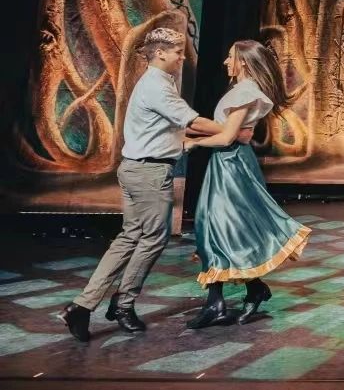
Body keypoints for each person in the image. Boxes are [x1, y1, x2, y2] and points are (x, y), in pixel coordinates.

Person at [59, 28, 225, 342]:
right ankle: (123, 304)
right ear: (160, 53)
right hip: (149, 173)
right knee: (153, 239)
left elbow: (172, 128)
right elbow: (193, 122)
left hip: (137, 168)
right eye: (178, 52)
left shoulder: (159, 82)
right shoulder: (156, 85)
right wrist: (231, 130)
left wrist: (193, 139)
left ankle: (82, 306)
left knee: (130, 237)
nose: (182, 57)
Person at [182, 40, 312, 329]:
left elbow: (227, 137)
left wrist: (193, 142)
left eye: (230, 57)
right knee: (219, 227)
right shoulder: (241, 90)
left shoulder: (245, 93)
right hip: (226, 162)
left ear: (243, 61)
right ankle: (244, 292)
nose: (225, 62)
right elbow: (232, 133)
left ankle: (220, 302)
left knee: (220, 226)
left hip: (232, 164)